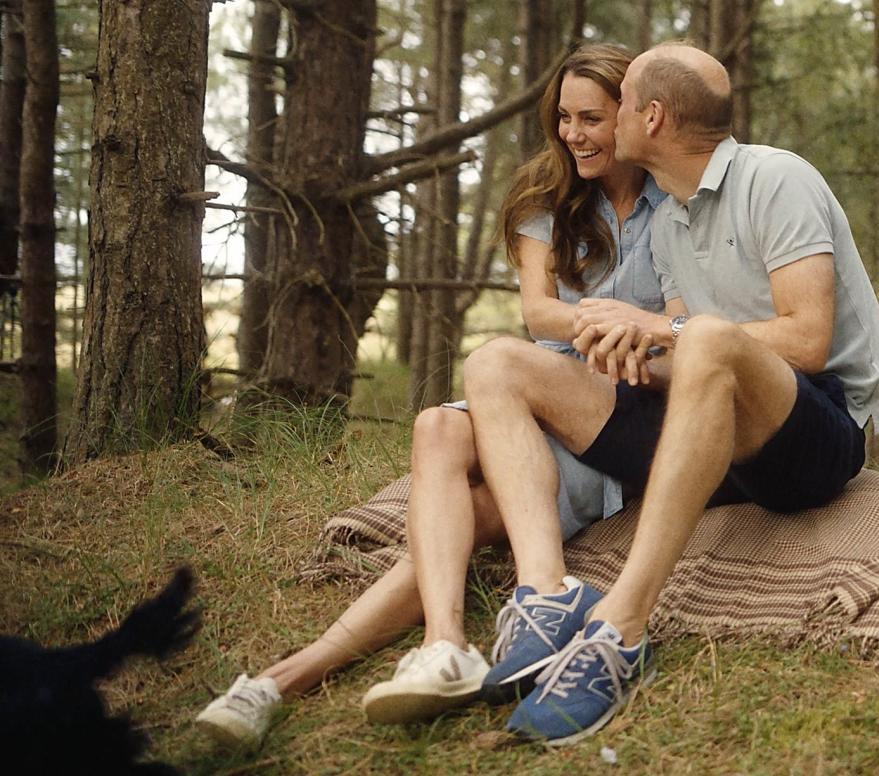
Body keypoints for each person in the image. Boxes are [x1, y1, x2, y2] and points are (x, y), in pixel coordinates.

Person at [193, 43, 668, 749]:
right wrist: (611, 324)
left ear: (633, 116)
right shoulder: (552, 199)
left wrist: (639, 339)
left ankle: (282, 679)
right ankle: (445, 643)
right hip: (532, 399)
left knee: (453, 531)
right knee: (436, 430)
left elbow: (684, 330)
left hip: (606, 423)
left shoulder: (675, 201)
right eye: (563, 117)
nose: (573, 134)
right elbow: (539, 313)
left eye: (591, 118)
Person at [461, 41, 879, 745]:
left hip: (808, 432)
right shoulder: (668, 216)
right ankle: (545, 595)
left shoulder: (775, 179)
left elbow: (807, 337)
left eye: (623, 104)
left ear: (652, 117)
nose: (606, 121)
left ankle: (621, 628)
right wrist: (630, 349)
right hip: (704, 436)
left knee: (705, 338)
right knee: (497, 363)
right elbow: (681, 356)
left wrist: (667, 330)